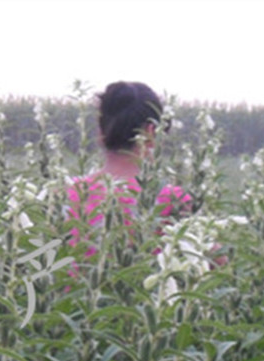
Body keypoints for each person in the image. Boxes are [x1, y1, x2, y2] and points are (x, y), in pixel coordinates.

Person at [65, 81, 191, 265]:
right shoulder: (173, 200)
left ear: (101, 132)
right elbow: (213, 264)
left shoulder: (66, 194)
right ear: (151, 131)